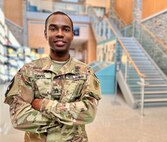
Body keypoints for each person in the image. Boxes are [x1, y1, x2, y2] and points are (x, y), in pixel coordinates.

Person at [4, 11, 101, 142]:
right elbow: (19, 118)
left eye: (66, 29)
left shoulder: (86, 72)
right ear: (45, 34)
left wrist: (44, 104)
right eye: (53, 28)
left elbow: (88, 113)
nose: (59, 33)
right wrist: (69, 117)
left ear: (72, 35)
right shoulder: (28, 71)